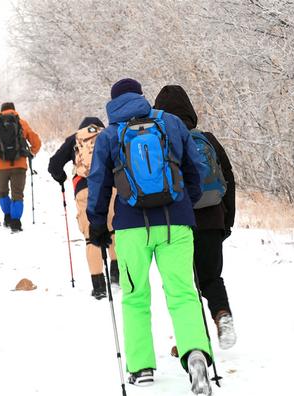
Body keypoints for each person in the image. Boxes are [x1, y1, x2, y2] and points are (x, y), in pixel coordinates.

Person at [87, 78, 213, 395]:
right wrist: (187, 202)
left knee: (135, 296)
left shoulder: (109, 135)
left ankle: (141, 366)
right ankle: (195, 352)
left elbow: (99, 182)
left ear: (113, 101)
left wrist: (98, 225)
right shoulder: (169, 123)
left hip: (131, 228)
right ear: (141, 96)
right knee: (183, 293)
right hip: (176, 224)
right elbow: (194, 168)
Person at [154, 85, 237, 351]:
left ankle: (194, 339)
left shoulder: (160, 141)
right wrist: (227, 221)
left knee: (183, 285)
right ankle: (222, 314)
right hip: (213, 218)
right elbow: (229, 180)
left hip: (178, 222)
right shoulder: (208, 139)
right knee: (211, 277)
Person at [48, 117, 119, 300]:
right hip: (110, 187)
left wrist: (61, 177)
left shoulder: (74, 139)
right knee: (113, 230)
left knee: (91, 237)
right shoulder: (109, 134)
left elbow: (54, 164)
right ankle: (117, 276)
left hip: (84, 189)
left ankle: (99, 287)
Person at [0, 102, 41, 233]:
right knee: (17, 194)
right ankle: (16, 222)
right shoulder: (22, 123)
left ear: (1, 111)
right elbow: (37, 142)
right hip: (19, 165)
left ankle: (7, 217)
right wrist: (32, 153)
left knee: (2, 192)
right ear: (14, 110)